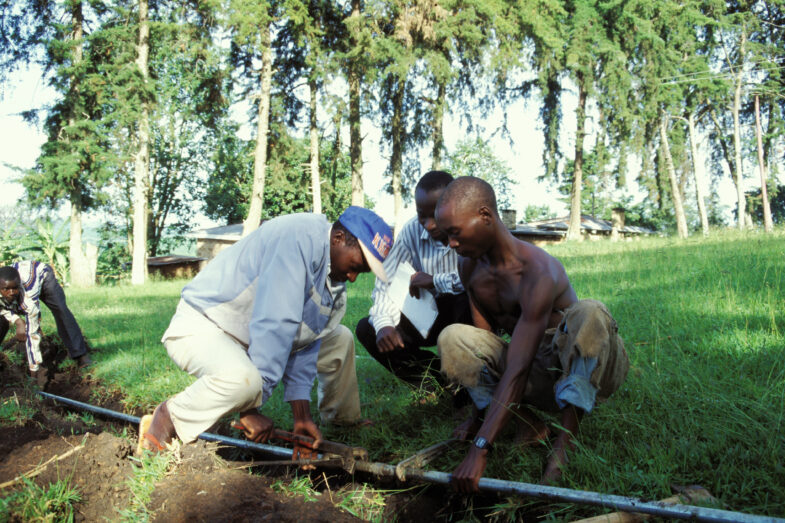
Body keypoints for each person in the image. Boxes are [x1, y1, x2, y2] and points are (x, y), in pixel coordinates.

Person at [138, 207, 393, 458]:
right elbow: (274, 323)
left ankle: (342, 420)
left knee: (339, 339)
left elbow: (305, 341)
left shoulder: (331, 278)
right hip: (206, 325)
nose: (352, 278)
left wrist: (301, 417)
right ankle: (168, 417)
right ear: (338, 239)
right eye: (355, 266)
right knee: (243, 381)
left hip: (248, 339)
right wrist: (250, 409)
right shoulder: (297, 238)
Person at [433, 177, 629, 490]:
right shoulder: (469, 267)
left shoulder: (538, 269)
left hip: (576, 365)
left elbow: (519, 366)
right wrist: (477, 417)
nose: (451, 244)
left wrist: (480, 447)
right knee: (453, 336)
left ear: (485, 216)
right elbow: (488, 349)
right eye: (446, 236)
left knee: (590, 311)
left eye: (455, 233)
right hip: (530, 367)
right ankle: (527, 423)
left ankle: (564, 445)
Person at [356, 171, 471, 399]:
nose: (428, 225)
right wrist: (384, 325)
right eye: (421, 216)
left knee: (465, 301)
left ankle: (466, 388)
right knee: (367, 329)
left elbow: (479, 280)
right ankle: (434, 383)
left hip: (463, 318)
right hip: (426, 315)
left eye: (435, 216)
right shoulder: (411, 231)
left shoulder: (471, 230)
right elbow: (386, 281)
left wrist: (435, 280)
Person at [0, 261, 92, 373]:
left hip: (43, 275)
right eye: (6, 289)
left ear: (18, 286)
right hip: (17, 278)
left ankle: (80, 354)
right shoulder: (6, 285)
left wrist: (33, 370)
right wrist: (18, 321)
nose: (11, 292)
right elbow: (3, 309)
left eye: (14, 288)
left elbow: (32, 334)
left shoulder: (28, 299)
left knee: (60, 310)